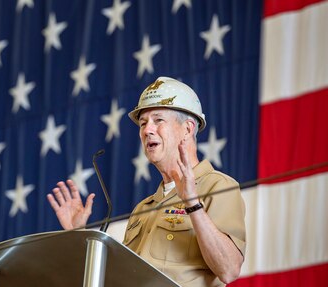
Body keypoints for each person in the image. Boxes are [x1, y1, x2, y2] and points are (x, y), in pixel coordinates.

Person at [47, 76, 246, 287]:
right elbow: (114, 279)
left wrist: (192, 204)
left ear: (187, 129)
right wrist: (79, 237)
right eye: (143, 123)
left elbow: (229, 270)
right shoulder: (143, 208)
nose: (147, 130)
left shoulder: (218, 186)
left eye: (158, 120)